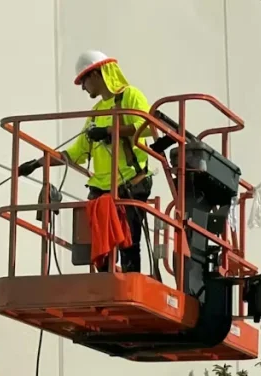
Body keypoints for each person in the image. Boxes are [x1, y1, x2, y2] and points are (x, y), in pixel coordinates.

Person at [17, 50, 170, 274]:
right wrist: (40, 163)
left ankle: (129, 282)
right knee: (96, 246)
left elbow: (145, 128)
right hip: (101, 188)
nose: (82, 87)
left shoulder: (130, 96)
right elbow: (77, 152)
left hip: (131, 183)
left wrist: (109, 131)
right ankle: (108, 281)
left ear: (98, 75)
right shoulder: (96, 112)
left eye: (84, 80)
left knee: (128, 243)